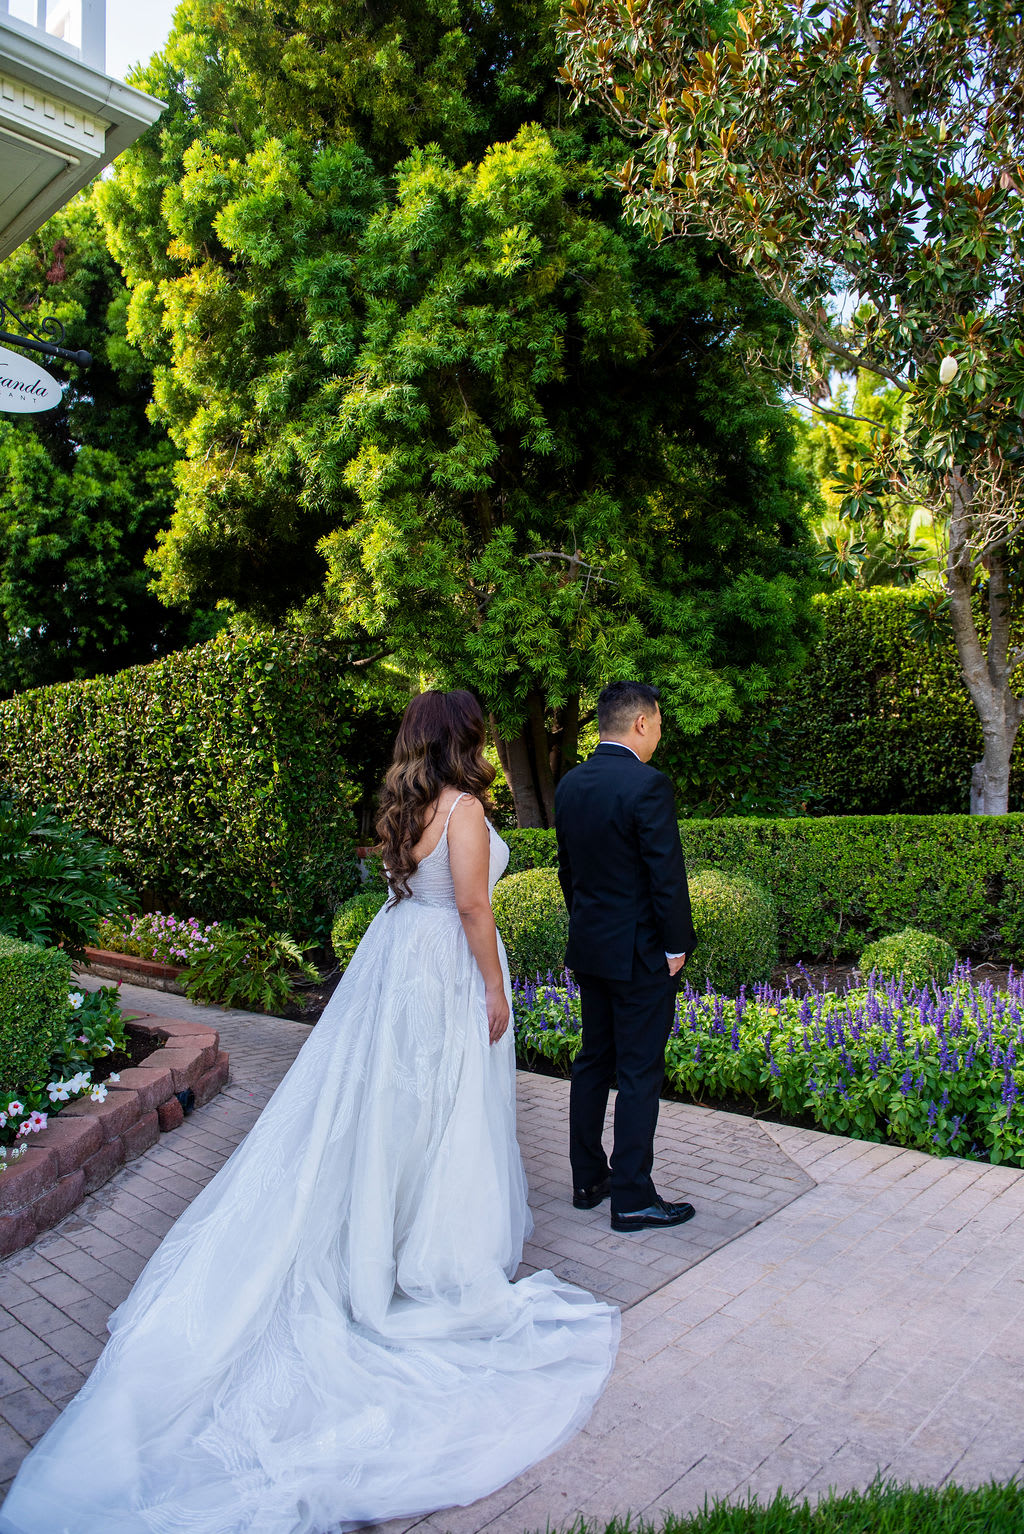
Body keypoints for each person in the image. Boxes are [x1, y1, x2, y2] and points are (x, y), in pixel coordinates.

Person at [0, 690, 617, 1534]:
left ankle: (384, 1240)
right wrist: (496, 985)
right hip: (440, 968)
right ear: (464, 740)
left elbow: (414, 892)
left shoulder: (406, 805)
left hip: (395, 961)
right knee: (440, 1120)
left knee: (386, 1117)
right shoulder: (466, 808)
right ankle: (423, 1257)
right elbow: (475, 908)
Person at [555, 680, 697, 1233]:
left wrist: (590, 926)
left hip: (590, 947)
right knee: (639, 1071)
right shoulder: (647, 785)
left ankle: (589, 1180)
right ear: (641, 723)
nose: (659, 733)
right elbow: (666, 876)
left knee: (594, 1060)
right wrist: (676, 945)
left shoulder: (571, 785)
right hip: (641, 956)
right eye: (659, 722)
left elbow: (570, 873)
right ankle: (633, 1195)